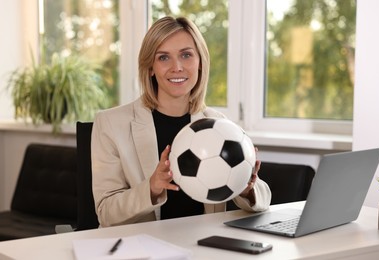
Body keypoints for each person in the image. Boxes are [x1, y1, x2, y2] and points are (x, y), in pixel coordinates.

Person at [91, 16, 271, 227]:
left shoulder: (219, 125)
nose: (177, 67)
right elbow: (106, 212)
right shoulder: (111, 124)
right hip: (140, 248)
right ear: (150, 67)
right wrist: (152, 187)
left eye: (186, 55)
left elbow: (264, 198)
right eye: (164, 58)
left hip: (202, 247)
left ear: (200, 63)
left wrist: (246, 187)